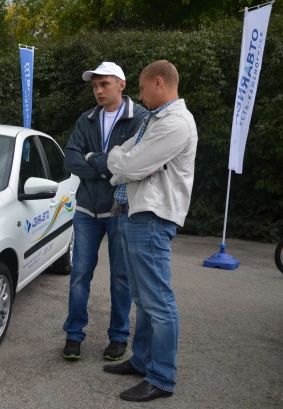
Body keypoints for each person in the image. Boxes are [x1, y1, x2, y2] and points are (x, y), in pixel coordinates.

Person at [104, 60, 198, 402]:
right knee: (143, 298)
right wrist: (121, 162)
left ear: (159, 83)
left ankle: (161, 377)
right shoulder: (158, 121)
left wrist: (118, 164)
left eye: (142, 89)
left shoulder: (176, 123)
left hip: (153, 218)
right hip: (136, 213)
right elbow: (125, 157)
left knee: (158, 301)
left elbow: (131, 162)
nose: (140, 96)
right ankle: (143, 360)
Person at [62, 62, 148, 361]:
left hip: (120, 209)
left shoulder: (140, 118)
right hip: (87, 209)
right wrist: (107, 168)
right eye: (95, 86)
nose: (98, 90)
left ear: (121, 84)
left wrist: (95, 160)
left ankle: (119, 337)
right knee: (80, 274)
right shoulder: (86, 118)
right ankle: (73, 336)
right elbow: (70, 160)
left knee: (121, 278)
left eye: (104, 84)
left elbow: (134, 163)